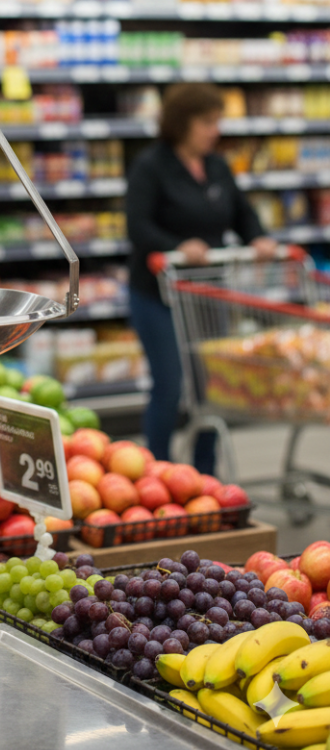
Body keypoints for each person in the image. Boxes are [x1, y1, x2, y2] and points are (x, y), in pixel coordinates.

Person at [126, 82, 277, 474]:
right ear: (181, 122)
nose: (216, 130)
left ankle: (204, 473)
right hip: (157, 293)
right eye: (207, 122)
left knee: (213, 386)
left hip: (208, 292)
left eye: (218, 121)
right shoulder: (151, 166)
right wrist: (177, 245)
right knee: (170, 385)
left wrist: (258, 238)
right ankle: (156, 471)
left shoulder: (217, 166)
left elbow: (242, 212)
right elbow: (138, 227)